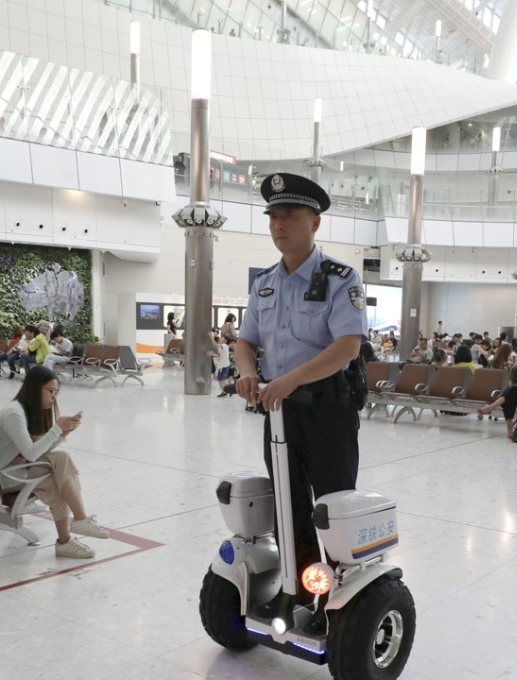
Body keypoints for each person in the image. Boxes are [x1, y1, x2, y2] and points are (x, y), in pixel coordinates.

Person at [234, 172, 365, 621]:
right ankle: (298, 589)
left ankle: (341, 598)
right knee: (288, 507)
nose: (278, 224)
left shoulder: (340, 279)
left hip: (329, 409)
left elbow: (347, 347)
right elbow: (244, 342)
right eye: (273, 215)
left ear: (316, 223)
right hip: (280, 411)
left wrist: (291, 380)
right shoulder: (265, 283)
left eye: (289, 215)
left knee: (332, 507)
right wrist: (249, 372)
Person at [0, 365, 109, 557]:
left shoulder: (19, 410)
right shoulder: (14, 414)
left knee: (59, 468)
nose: (53, 397)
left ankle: (69, 536)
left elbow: (34, 452)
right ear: (34, 388)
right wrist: (57, 429)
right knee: (58, 473)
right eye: (50, 391)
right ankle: (75, 526)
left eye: (55, 392)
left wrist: (62, 433)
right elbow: (31, 454)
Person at [478, 353, 517, 439]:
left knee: (511, 394)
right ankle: (509, 431)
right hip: (515, 395)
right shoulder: (515, 369)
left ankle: (491, 407)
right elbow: (511, 385)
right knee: (510, 399)